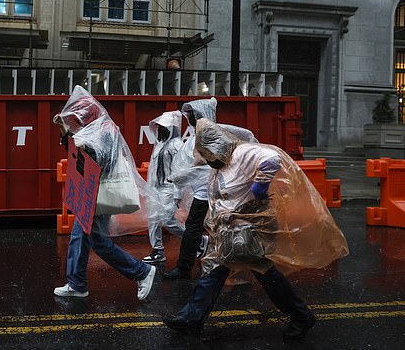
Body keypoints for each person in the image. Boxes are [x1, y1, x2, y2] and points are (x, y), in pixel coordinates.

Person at [162, 119, 349, 340]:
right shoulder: (222, 162)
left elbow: (272, 158)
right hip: (229, 231)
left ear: (216, 147)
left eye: (208, 156)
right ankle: (191, 318)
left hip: (244, 231)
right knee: (218, 271)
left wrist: (260, 186)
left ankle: (301, 316)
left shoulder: (241, 153)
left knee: (263, 274)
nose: (209, 161)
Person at [53, 86, 158, 301]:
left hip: (99, 193)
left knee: (96, 241)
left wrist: (84, 147)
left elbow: (102, 159)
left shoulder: (106, 129)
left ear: (89, 113)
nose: (78, 120)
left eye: (79, 116)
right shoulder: (93, 129)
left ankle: (142, 271)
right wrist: (65, 131)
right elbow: (76, 153)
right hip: (90, 191)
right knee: (78, 238)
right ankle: (77, 284)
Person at [163, 98, 257, 279]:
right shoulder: (195, 136)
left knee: (207, 228)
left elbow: (246, 135)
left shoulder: (214, 132)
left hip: (216, 192)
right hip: (206, 192)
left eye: (191, 114)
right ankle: (227, 268)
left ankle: (210, 268)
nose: (188, 117)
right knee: (207, 228)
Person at [143, 111, 185, 264]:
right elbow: (153, 169)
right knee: (153, 219)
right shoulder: (159, 144)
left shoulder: (176, 145)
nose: (159, 130)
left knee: (168, 220)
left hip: (168, 187)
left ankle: (197, 240)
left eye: (162, 127)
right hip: (155, 188)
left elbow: (180, 170)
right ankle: (157, 250)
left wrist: (177, 193)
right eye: (158, 127)